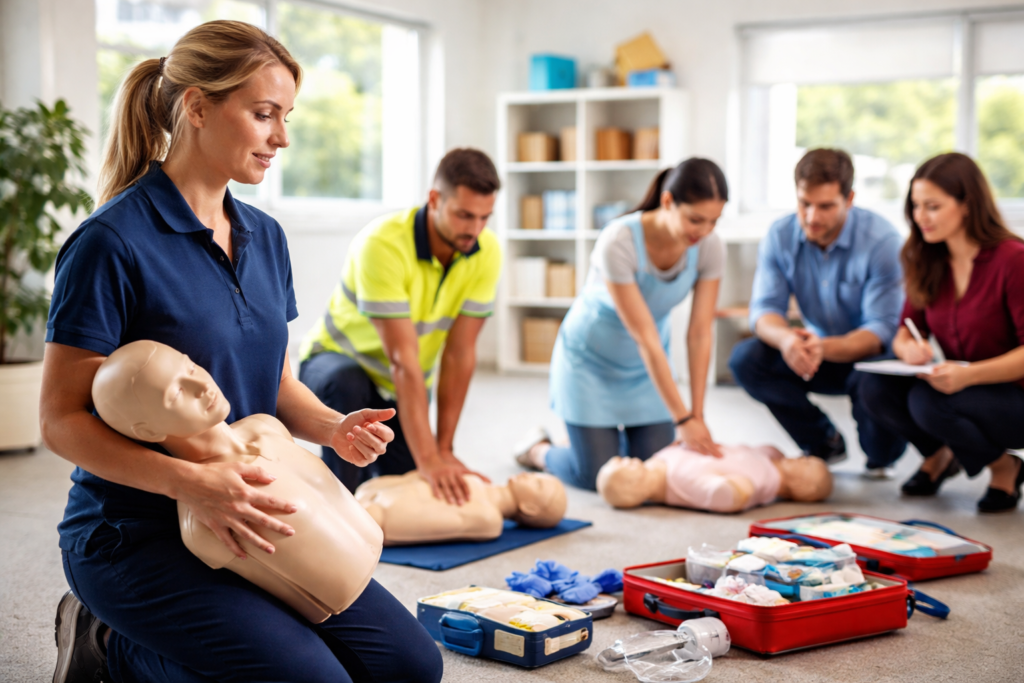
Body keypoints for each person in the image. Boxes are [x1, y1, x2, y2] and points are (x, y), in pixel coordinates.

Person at [43, 21, 441, 683]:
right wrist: (191, 482)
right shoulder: (110, 243)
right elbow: (60, 420)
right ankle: (108, 647)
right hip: (136, 532)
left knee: (410, 667)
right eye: (263, 115)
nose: (281, 137)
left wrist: (331, 426)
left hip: (251, 510)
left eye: (285, 117)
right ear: (197, 107)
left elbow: (275, 380)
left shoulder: (266, 236)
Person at [91, 340, 384, 624]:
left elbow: (283, 380)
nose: (203, 386)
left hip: (370, 546)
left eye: (191, 368)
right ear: (147, 431)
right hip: (331, 599)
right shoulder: (204, 522)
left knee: (416, 663)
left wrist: (337, 427)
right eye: (178, 392)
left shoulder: (265, 426)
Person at [298, 148, 503, 505]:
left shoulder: (485, 251)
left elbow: (459, 355)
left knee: (416, 485)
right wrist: (429, 459)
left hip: (397, 387)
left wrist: (442, 451)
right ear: (435, 199)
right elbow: (402, 359)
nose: (475, 229)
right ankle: (336, 505)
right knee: (349, 391)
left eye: (485, 217)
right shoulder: (382, 243)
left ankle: (374, 472)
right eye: (465, 215)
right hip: (336, 365)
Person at [517, 158, 728, 491]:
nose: (703, 231)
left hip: (645, 370)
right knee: (597, 475)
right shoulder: (619, 240)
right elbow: (645, 336)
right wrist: (681, 418)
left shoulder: (709, 247)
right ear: (668, 201)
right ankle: (538, 450)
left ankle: (596, 439)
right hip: (590, 361)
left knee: (652, 470)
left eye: (714, 221)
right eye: (695, 219)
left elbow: (700, 332)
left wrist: (696, 415)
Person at [860, 153, 1024, 513]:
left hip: (1012, 396)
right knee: (871, 386)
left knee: (928, 401)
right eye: (916, 206)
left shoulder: (1013, 260)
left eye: (932, 206)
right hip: (960, 384)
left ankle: (1004, 467)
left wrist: (970, 375)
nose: (920, 217)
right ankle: (940, 455)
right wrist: (908, 351)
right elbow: (905, 331)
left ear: (967, 205)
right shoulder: (926, 257)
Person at [728, 148, 905, 477]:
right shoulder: (780, 236)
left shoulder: (883, 241)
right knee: (747, 358)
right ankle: (824, 441)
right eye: (804, 203)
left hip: (868, 360)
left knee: (881, 456)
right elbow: (765, 310)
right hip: (814, 353)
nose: (812, 217)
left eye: (825, 206)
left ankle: (883, 453)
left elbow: (880, 330)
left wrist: (823, 347)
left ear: (849, 199)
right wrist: (786, 341)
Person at [596, 444, 832, 513]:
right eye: (808, 460)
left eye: (807, 462)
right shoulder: (684, 482)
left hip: (743, 455)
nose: (803, 457)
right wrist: (738, 489)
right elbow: (724, 495)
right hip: (759, 470)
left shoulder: (658, 463)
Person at [354, 471, 567, 545]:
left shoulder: (489, 519)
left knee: (357, 519)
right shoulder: (480, 481)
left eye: (537, 484)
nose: (530, 475)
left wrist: (383, 526)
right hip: (381, 491)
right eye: (537, 475)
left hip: (384, 515)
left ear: (529, 508)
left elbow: (436, 524)